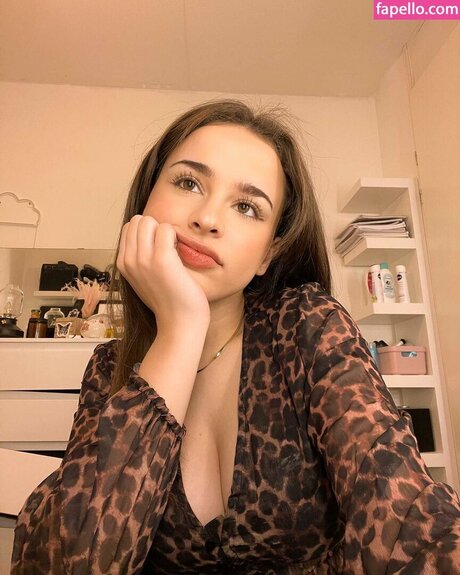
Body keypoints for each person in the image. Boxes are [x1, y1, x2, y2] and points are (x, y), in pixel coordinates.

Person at [11, 99, 460, 575]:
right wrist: (181, 330)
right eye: (188, 182)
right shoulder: (108, 369)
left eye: (247, 207)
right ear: (145, 203)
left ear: (268, 254)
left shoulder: (306, 328)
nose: (207, 218)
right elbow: (70, 560)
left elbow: (409, 522)